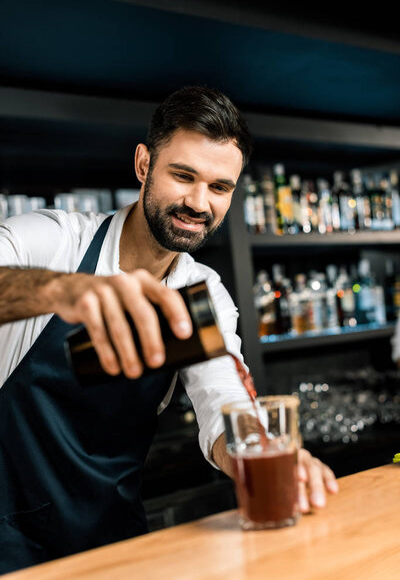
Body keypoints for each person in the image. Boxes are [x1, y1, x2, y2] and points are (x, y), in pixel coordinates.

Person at [0, 86, 338, 573]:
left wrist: (262, 456)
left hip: (114, 540)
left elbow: (224, 402)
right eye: (183, 176)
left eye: (219, 187)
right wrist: (63, 292)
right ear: (143, 165)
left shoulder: (199, 292)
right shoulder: (57, 242)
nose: (198, 202)